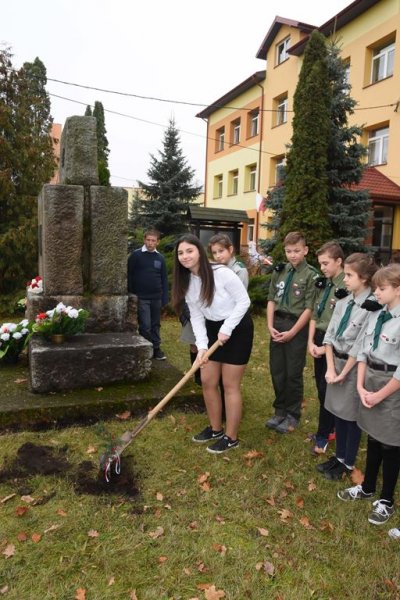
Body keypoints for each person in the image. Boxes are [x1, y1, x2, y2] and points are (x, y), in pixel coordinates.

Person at [172, 233, 253, 454]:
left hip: (237, 328)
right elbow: (197, 316)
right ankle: (216, 429)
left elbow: (244, 301)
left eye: (189, 251)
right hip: (211, 329)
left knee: (229, 384)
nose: (185, 256)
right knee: (207, 381)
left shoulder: (222, 273)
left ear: (199, 251)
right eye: (181, 253)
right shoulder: (187, 282)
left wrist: (227, 329)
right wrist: (202, 346)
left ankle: (231, 437)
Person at [337, 263, 400, 528]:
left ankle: (386, 500)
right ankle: (368, 487)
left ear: (398, 289)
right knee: (373, 437)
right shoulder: (377, 314)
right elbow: (363, 350)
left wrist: (379, 395)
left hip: (391, 386)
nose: (376, 293)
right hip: (370, 379)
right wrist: (361, 386)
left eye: (382, 289)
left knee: (391, 443)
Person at [317, 253, 377, 480]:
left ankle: (348, 462)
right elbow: (330, 335)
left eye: (350, 275)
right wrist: (330, 368)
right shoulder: (343, 301)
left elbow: (360, 345)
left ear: (364, 278)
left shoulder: (372, 307)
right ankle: (339, 456)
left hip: (353, 368)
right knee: (337, 412)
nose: (345, 279)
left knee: (350, 415)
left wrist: (343, 373)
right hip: (336, 363)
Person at [266, 231, 319, 434]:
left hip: (297, 325)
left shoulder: (311, 275)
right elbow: (271, 299)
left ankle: (292, 415)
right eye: (289, 251)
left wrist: (293, 332)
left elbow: (309, 308)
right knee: (277, 370)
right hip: (277, 323)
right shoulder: (280, 271)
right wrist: (270, 325)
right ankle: (279, 411)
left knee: (293, 373)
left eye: (297, 251)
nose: (292, 255)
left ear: (305, 250)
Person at [308, 241, 346, 455]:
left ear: (338, 261)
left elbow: (345, 325)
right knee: (321, 388)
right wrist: (311, 342)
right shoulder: (326, 284)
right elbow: (315, 314)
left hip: (334, 343)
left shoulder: (345, 287)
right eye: (320, 263)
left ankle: (324, 435)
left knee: (327, 390)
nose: (322, 268)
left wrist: (325, 348)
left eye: (325, 263)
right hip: (319, 339)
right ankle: (329, 429)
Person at [128, 228, 168, 360]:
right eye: (148, 240)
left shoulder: (160, 258)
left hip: (156, 297)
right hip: (142, 297)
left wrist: (164, 297)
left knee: (156, 325)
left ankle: (156, 349)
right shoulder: (136, 255)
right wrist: (132, 293)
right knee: (145, 325)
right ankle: (146, 348)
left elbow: (164, 279)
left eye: (153, 241)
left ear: (158, 242)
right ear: (144, 240)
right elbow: (129, 274)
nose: (150, 243)